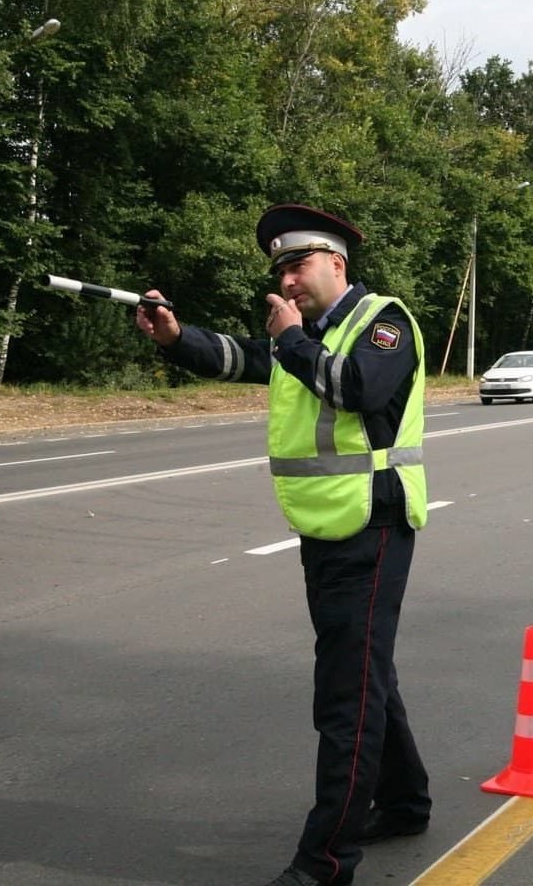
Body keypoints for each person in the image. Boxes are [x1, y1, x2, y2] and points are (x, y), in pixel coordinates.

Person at [136, 204, 431, 886]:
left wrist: (293, 339)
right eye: (281, 272)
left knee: (346, 696)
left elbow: (358, 388)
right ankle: (405, 803)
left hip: (371, 527)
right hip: (325, 528)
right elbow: (243, 357)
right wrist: (176, 337)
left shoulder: (383, 321)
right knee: (366, 675)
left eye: (298, 266)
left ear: (337, 263)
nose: (288, 282)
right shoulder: (306, 336)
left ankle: (325, 862)